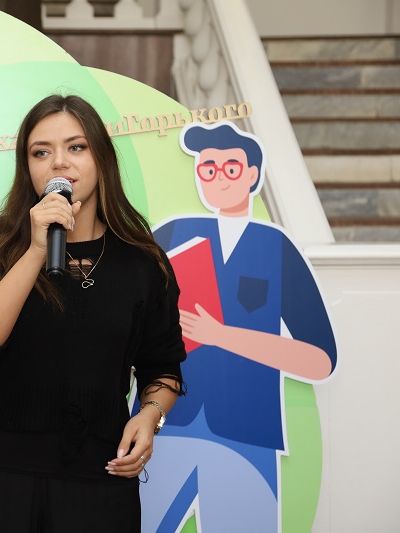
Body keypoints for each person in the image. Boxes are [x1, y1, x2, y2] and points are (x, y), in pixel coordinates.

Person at [0, 94, 186, 531]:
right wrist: (36, 250)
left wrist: (150, 417)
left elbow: (162, 367)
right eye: (41, 152)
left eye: (76, 146)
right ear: (27, 167)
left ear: (101, 158)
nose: (58, 162)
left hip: (98, 482)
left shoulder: (143, 263)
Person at [142, 121, 337, 532]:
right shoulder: (171, 234)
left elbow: (320, 360)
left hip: (248, 436)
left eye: (230, 168)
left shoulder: (277, 248)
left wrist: (221, 336)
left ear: (251, 175)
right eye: (208, 168)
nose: (218, 178)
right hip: (161, 427)